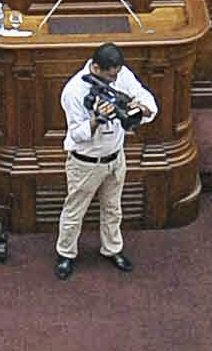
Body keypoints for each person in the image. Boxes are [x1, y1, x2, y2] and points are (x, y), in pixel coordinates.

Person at [54, 41, 154, 279]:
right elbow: (76, 134)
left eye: (117, 75)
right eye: (111, 76)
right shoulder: (74, 91)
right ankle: (65, 254)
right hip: (86, 163)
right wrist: (97, 120)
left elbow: (143, 96)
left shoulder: (121, 74)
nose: (115, 80)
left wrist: (143, 108)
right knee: (74, 211)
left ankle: (112, 249)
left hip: (115, 158)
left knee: (113, 208)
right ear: (96, 68)